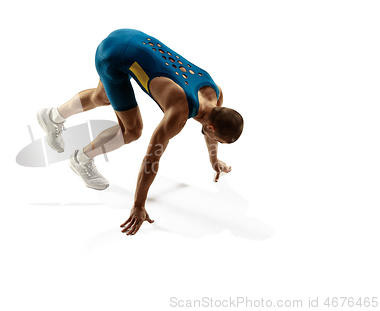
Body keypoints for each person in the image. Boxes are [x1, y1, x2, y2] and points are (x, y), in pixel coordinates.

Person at [37, 29, 243, 235]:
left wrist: (214, 160)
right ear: (211, 127)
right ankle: (81, 160)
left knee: (103, 96)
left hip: (129, 37)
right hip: (114, 57)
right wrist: (138, 206)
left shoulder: (215, 92)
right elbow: (151, 160)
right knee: (132, 131)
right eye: (219, 140)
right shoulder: (179, 112)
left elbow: (210, 131)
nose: (215, 140)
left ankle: (52, 116)